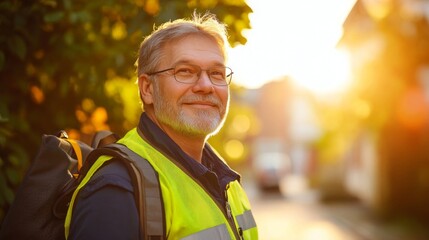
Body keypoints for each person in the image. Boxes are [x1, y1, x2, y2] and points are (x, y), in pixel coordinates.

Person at [65, 12, 258, 240]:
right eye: (185, 71)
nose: (206, 86)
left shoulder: (227, 180)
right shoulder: (115, 189)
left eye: (216, 73)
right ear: (147, 89)